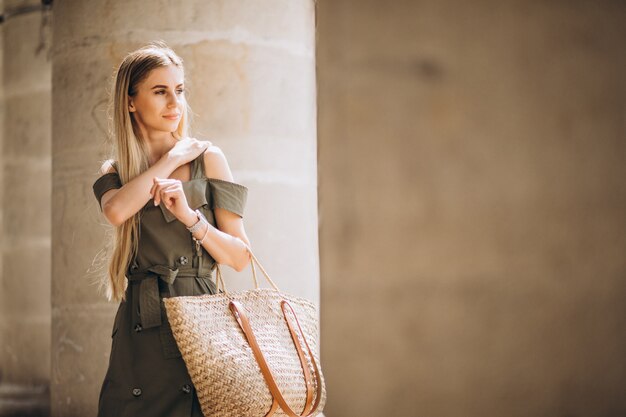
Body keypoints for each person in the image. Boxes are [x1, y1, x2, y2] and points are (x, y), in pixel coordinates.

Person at [91, 40, 252, 416]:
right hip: (139, 324)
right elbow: (116, 211)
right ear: (131, 101)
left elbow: (241, 257)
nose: (174, 103)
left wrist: (191, 219)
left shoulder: (208, 159)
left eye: (179, 91)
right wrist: (170, 160)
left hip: (198, 317)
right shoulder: (114, 173)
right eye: (160, 91)